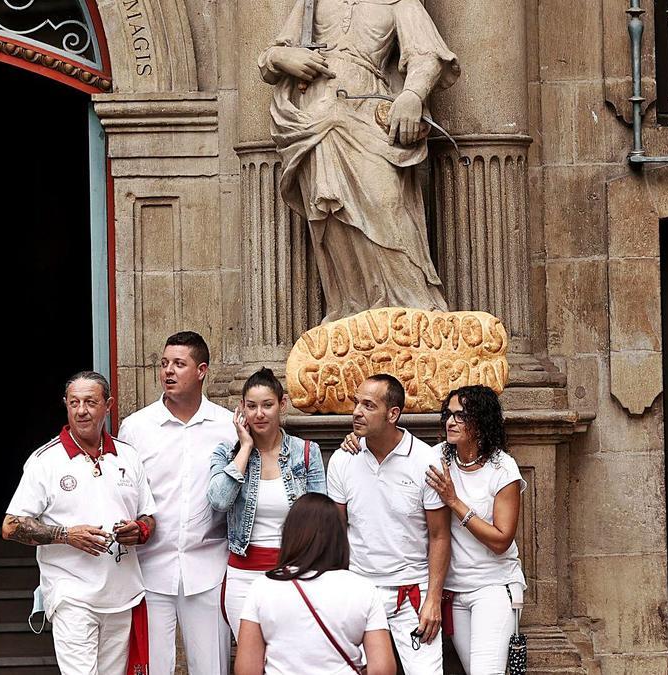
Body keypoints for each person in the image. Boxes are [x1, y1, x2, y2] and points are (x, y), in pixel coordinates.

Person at [258, 0, 460, 319]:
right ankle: (350, 312)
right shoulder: (314, 1)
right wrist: (283, 56)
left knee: (387, 206)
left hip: (366, 113)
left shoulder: (400, 2)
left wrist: (412, 95)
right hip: (315, 119)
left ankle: (413, 310)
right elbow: (271, 56)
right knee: (332, 216)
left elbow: (427, 55)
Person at [3, 371, 157, 675]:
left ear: (108, 405)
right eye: (74, 403)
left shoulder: (128, 456)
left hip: (121, 596)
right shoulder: (45, 461)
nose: (81, 410)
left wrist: (138, 531)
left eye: (90, 402)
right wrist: (66, 534)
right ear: (65, 405)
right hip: (71, 595)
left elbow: (148, 517)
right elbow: (11, 525)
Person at [117, 331, 235, 675]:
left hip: (208, 566)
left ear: (201, 370)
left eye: (179, 364)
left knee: (211, 667)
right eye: (165, 363)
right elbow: (124, 492)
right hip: (150, 567)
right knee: (152, 667)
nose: (168, 371)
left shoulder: (227, 426)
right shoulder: (136, 427)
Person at [329, 373, 451, 674]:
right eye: (357, 402)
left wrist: (433, 599)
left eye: (368, 405)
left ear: (393, 414)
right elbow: (337, 532)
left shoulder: (426, 460)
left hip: (412, 591)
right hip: (360, 589)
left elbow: (439, 536)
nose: (357, 411)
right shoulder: (343, 460)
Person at [207, 367, 326, 637]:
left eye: (267, 405)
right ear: (241, 409)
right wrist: (246, 448)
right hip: (243, 576)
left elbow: (322, 520)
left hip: (294, 572)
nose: (259, 413)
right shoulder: (227, 453)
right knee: (250, 661)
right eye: (251, 406)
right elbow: (219, 501)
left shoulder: (306, 452)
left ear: (282, 405)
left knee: (291, 659)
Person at [424, 385, 526, 675]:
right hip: (454, 592)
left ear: (481, 421)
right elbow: (398, 451)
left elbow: (501, 540)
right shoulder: (437, 457)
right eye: (448, 414)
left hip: (494, 588)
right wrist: (357, 442)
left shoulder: (502, 468)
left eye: (460, 415)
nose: (450, 422)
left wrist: (454, 502)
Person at [234, 493, 395, 675]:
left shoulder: (263, 587)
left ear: (290, 534)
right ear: (340, 537)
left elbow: (246, 670)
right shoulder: (364, 589)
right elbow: (382, 670)